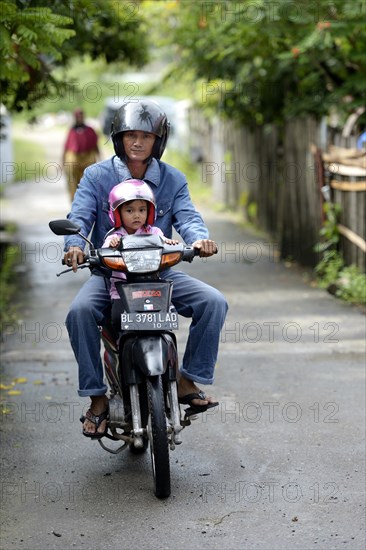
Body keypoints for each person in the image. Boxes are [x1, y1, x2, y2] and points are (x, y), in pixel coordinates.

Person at [63, 98, 228, 438]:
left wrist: (199, 240)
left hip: (159, 273)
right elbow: (78, 218)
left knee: (213, 302)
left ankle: (186, 379)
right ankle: (97, 398)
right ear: (118, 138)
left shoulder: (173, 178)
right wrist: (76, 246)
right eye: (130, 135)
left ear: (159, 141)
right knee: (78, 312)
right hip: (110, 276)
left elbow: (188, 217)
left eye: (147, 136)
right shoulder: (96, 176)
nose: (137, 142)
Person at [103, 178, 178, 323]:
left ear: (149, 212)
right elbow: (105, 250)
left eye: (142, 210)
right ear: (117, 213)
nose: (137, 215)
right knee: (119, 319)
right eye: (129, 210)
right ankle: (119, 344)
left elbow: (163, 241)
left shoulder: (154, 232)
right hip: (122, 292)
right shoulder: (115, 237)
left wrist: (170, 244)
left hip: (152, 288)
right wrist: (112, 245)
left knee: (166, 317)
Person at [62, 108, 100, 200]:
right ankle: (74, 200)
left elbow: (95, 145)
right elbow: (66, 147)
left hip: (87, 157)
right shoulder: (71, 130)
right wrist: (62, 160)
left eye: (81, 115)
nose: (79, 117)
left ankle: (88, 199)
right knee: (72, 180)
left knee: (89, 180)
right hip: (74, 157)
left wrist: (100, 157)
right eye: (77, 116)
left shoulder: (90, 130)